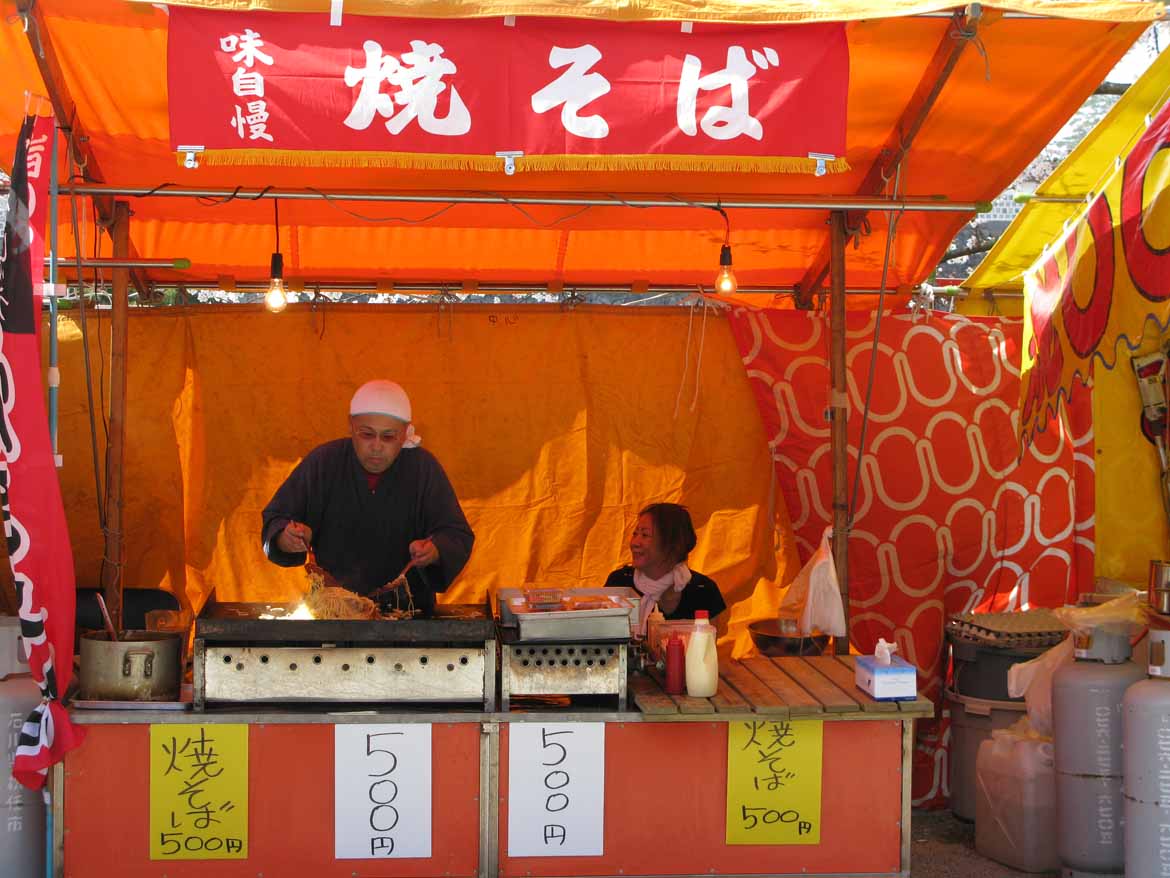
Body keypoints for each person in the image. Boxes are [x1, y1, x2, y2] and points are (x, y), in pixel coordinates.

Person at [261, 379, 474, 617]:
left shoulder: (424, 469)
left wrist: (434, 550)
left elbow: (456, 534)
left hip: (409, 616)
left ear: (405, 434)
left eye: (388, 437)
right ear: (351, 426)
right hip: (333, 613)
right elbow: (276, 519)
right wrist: (285, 537)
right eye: (367, 434)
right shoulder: (324, 463)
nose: (376, 446)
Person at [605, 502, 725, 634]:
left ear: (671, 544)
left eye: (644, 535)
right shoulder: (619, 583)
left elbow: (707, 650)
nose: (634, 543)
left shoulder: (703, 590)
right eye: (635, 534)